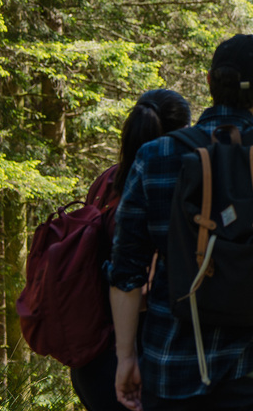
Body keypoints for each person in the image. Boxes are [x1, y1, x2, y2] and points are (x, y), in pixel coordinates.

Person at [106, 34, 253, 411]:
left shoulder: (153, 157)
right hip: (251, 369)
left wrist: (126, 359)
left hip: (170, 365)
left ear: (209, 82)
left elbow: (126, 272)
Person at [71, 89, 192, 411]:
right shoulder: (163, 189)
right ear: (178, 136)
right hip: (137, 356)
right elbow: (137, 286)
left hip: (91, 355)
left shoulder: (106, 181)